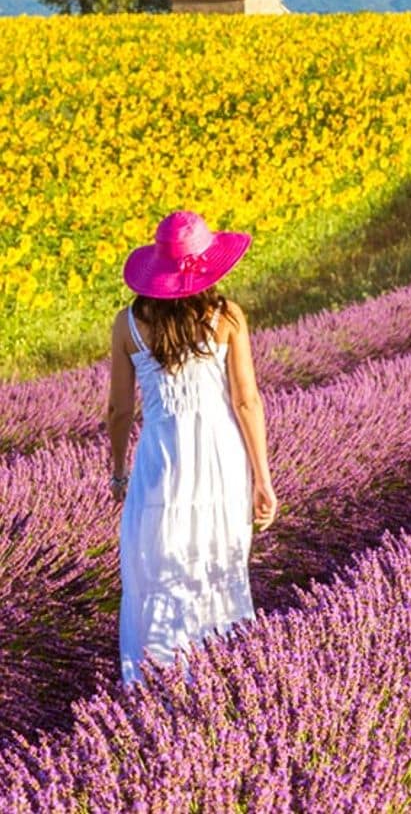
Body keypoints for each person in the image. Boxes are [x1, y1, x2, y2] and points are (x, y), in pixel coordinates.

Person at [107, 209, 278, 686]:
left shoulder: (129, 324)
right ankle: (221, 683)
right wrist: (262, 479)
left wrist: (118, 472)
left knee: (157, 568)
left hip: (161, 463)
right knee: (216, 565)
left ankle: (154, 685)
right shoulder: (226, 317)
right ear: (206, 268)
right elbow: (246, 401)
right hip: (223, 463)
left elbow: (119, 411)